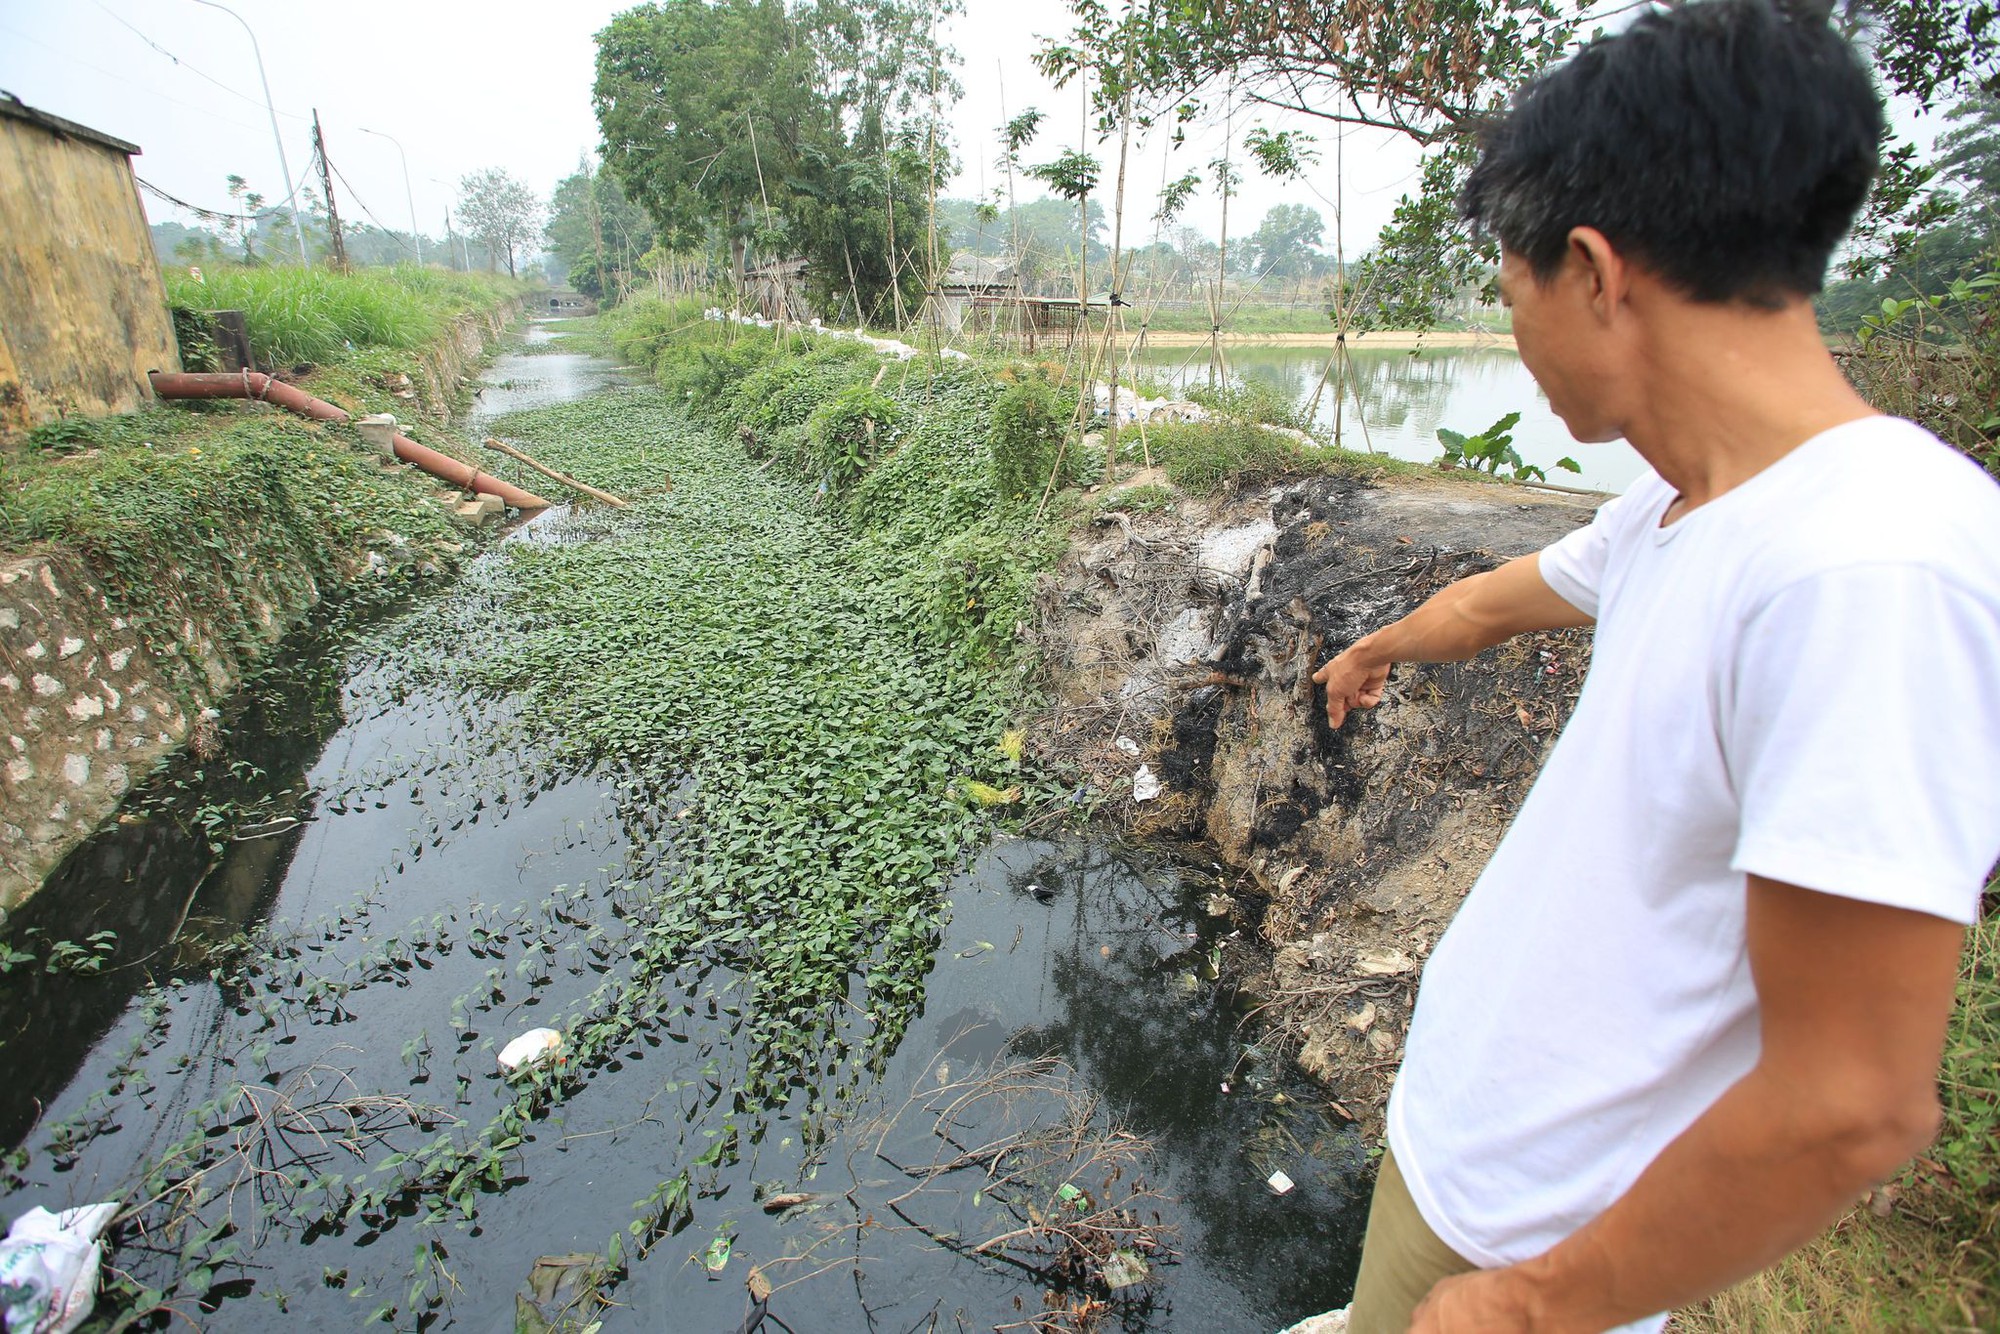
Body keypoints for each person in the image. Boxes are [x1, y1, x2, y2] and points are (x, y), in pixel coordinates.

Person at [1308, 2, 2000, 1330]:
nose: (1514, 331)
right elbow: (1495, 602)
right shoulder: (1688, 506)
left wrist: (1529, 1305)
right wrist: (1380, 646)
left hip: (1535, 1233)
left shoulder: (1873, 565)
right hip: (1467, 1156)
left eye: (1511, 294)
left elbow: (1854, 1101)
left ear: (1594, 270)